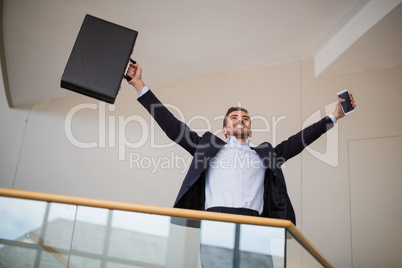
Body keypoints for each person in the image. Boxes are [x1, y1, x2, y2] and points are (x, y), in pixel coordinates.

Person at [125, 63, 356, 225]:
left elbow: (299, 141)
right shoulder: (206, 147)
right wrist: (140, 86)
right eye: (234, 118)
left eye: (245, 118)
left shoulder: (266, 154)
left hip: (255, 222)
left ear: (251, 129)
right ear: (225, 130)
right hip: (215, 220)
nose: (240, 120)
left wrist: (334, 115)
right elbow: (172, 126)